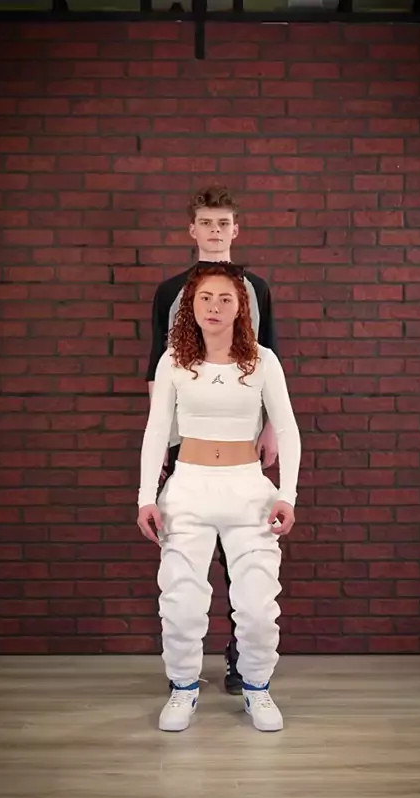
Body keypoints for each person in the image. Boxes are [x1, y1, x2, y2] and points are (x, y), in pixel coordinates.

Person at [137, 264, 301, 732]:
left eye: (225, 299)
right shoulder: (173, 361)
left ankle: (257, 688)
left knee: (257, 606)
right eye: (205, 298)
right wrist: (146, 497)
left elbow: (287, 430)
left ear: (240, 307)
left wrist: (287, 494)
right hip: (188, 489)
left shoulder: (263, 361)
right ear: (191, 305)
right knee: (181, 603)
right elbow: (156, 432)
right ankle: (183, 688)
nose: (214, 307)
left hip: (248, 490)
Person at [145, 185, 279, 696]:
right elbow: (156, 367)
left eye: (223, 223)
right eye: (206, 222)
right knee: (190, 552)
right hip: (189, 439)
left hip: (242, 439)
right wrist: (163, 442)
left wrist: (270, 426)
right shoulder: (171, 291)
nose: (215, 230)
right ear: (193, 229)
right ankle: (183, 668)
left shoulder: (256, 289)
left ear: (235, 230)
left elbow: (269, 354)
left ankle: (241, 659)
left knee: (243, 553)